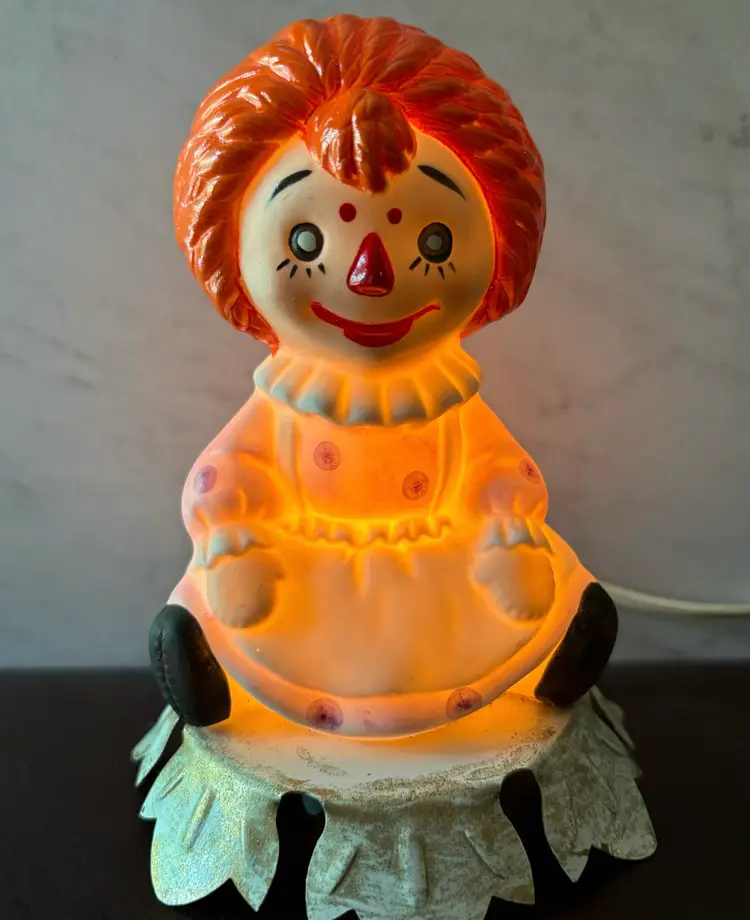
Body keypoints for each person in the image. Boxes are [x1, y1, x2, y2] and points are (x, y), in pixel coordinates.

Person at [150, 15, 617, 737]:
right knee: (236, 606)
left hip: (438, 565)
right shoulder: (288, 401)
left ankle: (564, 645)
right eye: (307, 239)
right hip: (310, 567)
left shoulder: (443, 393)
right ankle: (204, 660)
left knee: (535, 589)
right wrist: (234, 536)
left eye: (432, 238)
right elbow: (228, 473)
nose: (370, 275)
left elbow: (497, 467)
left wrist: (506, 523)